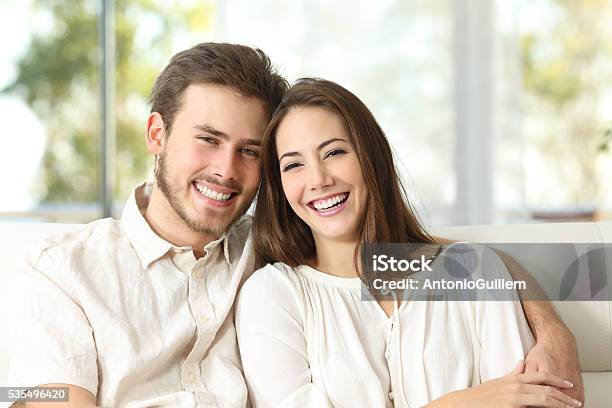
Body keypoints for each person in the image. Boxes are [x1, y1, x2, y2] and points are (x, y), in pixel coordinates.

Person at [235, 78, 584, 407]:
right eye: (293, 165)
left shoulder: (472, 271)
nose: (318, 179)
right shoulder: (273, 295)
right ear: (279, 188)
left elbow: (524, 400)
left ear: (371, 157)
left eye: (334, 153)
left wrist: (554, 331)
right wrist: (463, 402)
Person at [9, 43, 288, 407]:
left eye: (249, 151)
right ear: (157, 134)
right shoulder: (60, 269)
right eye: (208, 139)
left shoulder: (274, 246)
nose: (226, 170)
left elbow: (383, 265)